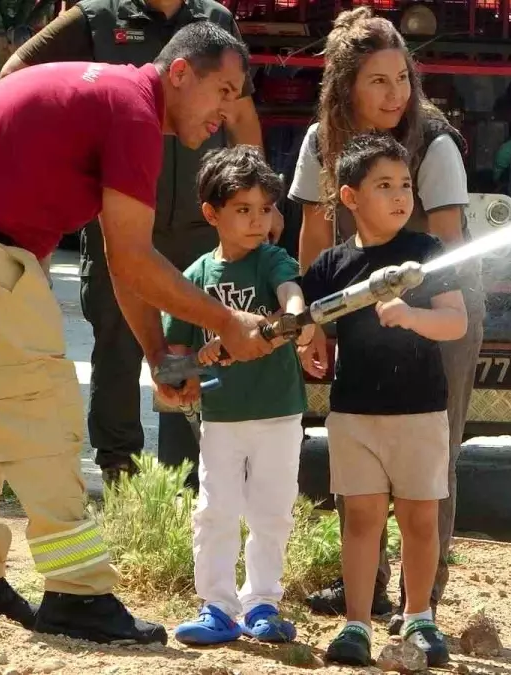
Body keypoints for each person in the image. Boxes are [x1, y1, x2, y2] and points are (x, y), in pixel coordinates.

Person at [0, 21, 272, 646]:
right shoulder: (132, 114)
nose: (227, 113)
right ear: (179, 73)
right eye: (224, 91)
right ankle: (78, 592)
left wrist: (157, 352)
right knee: (44, 414)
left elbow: (126, 258)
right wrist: (227, 320)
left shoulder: (109, 97)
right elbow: (132, 260)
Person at [0, 0, 269, 487]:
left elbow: (241, 114)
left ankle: (185, 475)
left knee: (193, 344)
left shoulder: (215, 22)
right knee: (117, 342)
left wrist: (255, 198)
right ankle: (119, 467)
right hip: (117, 223)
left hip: (197, 221)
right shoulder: (94, 16)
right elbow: (16, 74)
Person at [289, 7, 485, 634]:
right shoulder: (322, 140)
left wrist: (411, 313)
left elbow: (451, 249)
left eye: (402, 77)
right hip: (356, 305)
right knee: (363, 457)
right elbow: (314, 238)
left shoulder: (435, 141)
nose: (395, 93)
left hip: (437, 306)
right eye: (378, 81)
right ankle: (364, 596)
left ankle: (420, 604)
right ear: (345, 85)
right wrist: (314, 324)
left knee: (432, 457)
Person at [297, 133, 466, 667]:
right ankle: (355, 625)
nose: (400, 196)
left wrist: (412, 315)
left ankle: (419, 617)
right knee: (361, 520)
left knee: (420, 520)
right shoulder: (332, 265)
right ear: (349, 197)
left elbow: (457, 321)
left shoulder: (426, 252)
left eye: (406, 185)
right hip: (353, 416)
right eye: (384, 185)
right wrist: (307, 338)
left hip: (419, 414)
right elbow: (307, 314)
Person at [165, 146, 311, 646]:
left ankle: (263, 602)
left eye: (265, 209)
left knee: (272, 508)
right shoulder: (197, 277)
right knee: (216, 508)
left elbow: (290, 291)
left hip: (278, 414)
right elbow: (177, 351)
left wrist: (291, 316)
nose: (257, 221)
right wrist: (191, 365)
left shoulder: (271, 259)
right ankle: (217, 606)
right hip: (221, 417)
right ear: (212, 214)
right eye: (243, 210)